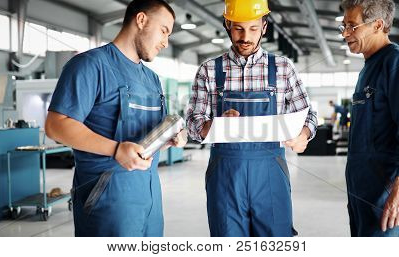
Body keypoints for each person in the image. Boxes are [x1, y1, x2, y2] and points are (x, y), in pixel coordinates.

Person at [45, 0, 187, 237]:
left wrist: (172, 135)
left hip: (150, 199)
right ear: (141, 20)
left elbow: (155, 129)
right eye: (163, 31)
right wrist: (116, 149)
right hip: (107, 201)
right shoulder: (90, 66)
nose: (165, 42)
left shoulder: (152, 79)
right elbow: (56, 125)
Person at [186, 0, 317, 237]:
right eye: (238, 28)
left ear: (264, 27)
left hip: (270, 173)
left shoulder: (283, 68)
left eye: (253, 29)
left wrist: (303, 136)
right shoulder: (208, 70)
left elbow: (308, 115)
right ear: (227, 24)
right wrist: (216, 126)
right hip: (225, 175)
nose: (245, 37)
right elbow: (193, 124)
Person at [340, 0, 399, 236]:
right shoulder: (369, 67)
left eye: (352, 26)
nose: (345, 34)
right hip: (363, 197)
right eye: (344, 26)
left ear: (378, 25)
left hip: (387, 200)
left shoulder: (398, 64)